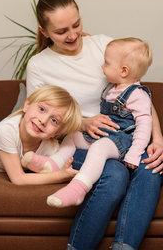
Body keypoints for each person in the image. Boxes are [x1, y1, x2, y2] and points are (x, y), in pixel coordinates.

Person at [26, 0, 163, 250]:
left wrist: (158, 139)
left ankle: (124, 246)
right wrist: (84, 123)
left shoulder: (103, 46)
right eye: (61, 31)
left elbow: (138, 98)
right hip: (77, 141)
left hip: (122, 136)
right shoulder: (38, 65)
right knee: (114, 174)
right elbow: (41, 121)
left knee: (152, 168)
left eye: (76, 24)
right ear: (44, 32)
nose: (73, 35)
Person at [22, 37, 153, 208]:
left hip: (123, 141)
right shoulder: (112, 88)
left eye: (106, 63)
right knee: (73, 134)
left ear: (123, 71)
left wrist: (134, 153)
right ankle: (54, 162)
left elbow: (144, 125)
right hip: (107, 135)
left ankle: (79, 187)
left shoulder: (137, 94)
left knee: (100, 148)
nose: (102, 66)